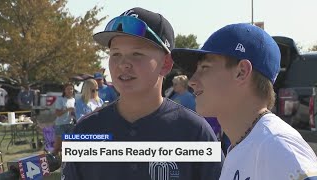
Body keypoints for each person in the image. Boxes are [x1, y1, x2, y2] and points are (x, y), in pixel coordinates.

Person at [62, 7, 222, 180]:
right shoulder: (86, 131)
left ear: (166, 63)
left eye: (137, 53)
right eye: (115, 54)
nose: (123, 64)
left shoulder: (194, 132)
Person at [171, 23, 317, 179]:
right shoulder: (244, 146)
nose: (192, 80)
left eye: (205, 67)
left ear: (242, 72)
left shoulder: (277, 145)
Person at [52, 82, 75, 156]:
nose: (70, 91)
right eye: (68, 89)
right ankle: (52, 159)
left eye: (71, 89)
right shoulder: (60, 99)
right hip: (60, 125)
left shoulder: (74, 100)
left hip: (70, 125)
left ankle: (66, 162)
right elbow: (57, 113)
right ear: (64, 90)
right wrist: (67, 110)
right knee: (58, 147)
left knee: (68, 146)